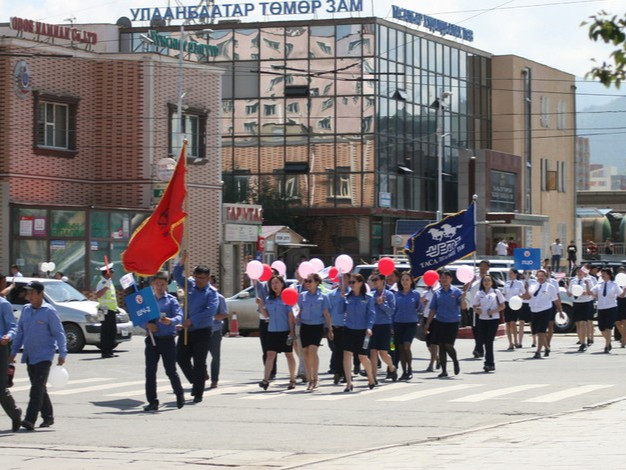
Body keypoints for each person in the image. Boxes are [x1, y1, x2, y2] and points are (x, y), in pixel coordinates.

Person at [9, 280, 67, 430]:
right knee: (40, 387)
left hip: (44, 356)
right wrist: (13, 352)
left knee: (36, 389)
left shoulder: (49, 311)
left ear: (41, 294)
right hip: (29, 355)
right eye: (28, 293)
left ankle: (29, 420)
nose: (29, 296)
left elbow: (59, 333)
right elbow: (20, 332)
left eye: (32, 293)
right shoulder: (26, 310)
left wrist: (62, 352)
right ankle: (48, 417)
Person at [173, 252, 219, 403]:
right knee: (181, 358)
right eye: (197, 277)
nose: (199, 281)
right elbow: (177, 275)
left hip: (202, 331)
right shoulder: (190, 285)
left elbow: (210, 311)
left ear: (208, 278)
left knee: (199, 361)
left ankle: (198, 392)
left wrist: (192, 320)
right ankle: (196, 379)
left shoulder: (212, 293)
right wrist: (182, 262)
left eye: (202, 278)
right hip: (186, 330)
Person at [143, 272, 185, 411]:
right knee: (150, 371)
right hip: (152, 340)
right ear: (152, 285)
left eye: (162, 284)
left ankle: (179, 395)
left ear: (166, 285)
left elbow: (180, 316)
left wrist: (170, 321)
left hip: (167, 340)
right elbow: (140, 317)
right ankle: (152, 401)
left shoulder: (171, 300)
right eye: (157, 284)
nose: (159, 287)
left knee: (170, 370)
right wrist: (147, 325)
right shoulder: (148, 300)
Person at [256, 276, 296, 390]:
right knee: (270, 355)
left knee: (289, 355)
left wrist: (291, 332)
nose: (274, 285)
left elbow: (290, 316)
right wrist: (260, 305)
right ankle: (265, 380)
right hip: (272, 330)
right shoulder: (269, 299)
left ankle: (292, 380)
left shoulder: (287, 297)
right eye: (272, 283)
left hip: (285, 331)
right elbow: (266, 315)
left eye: (277, 282)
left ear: (282, 284)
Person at [425, 270, 467, 378]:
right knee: (441, 346)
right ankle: (444, 370)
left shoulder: (456, 292)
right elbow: (433, 309)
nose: (444, 280)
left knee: (448, 345)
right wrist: (428, 323)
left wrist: (463, 298)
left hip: (452, 322)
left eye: (446, 277)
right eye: (442, 278)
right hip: (440, 321)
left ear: (451, 279)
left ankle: (455, 361)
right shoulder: (437, 293)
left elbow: (463, 307)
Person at [297, 273, 333, 391]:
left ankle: (316, 378)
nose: (307, 283)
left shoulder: (323, 296)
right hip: (305, 326)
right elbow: (298, 310)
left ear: (317, 282)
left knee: (313, 350)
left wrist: (330, 329)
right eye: (306, 281)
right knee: (306, 353)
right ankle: (310, 379)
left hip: (317, 327)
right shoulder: (302, 296)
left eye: (310, 281)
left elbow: (326, 314)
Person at [342, 274, 376, 392]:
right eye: (350, 282)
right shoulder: (347, 297)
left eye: (353, 282)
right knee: (347, 355)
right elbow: (340, 311)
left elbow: (371, 314)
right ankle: (349, 383)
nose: (351, 285)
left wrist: (369, 327)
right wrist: (340, 298)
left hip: (362, 331)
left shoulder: (368, 297)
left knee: (363, 357)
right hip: (349, 329)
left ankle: (371, 378)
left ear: (361, 283)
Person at [369, 272, 398, 384]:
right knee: (373, 351)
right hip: (373, 325)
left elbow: (391, 311)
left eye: (376, 280)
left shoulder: (389, 294)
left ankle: (392, 367)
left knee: (383, 352)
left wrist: (382, 304)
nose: (375, 282)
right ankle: (374, 377)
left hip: (385, 325)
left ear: (382, 281)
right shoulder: (371, 294)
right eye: (373, 280)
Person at [472, 275, 505, 372]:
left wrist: (494, 310)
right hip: (482, 319)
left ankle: (489, 363)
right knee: (482, 339)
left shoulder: (496, 292)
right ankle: (486, 360)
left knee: (489, 342)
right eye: (485, 280)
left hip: (493, 319)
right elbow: (474, 306)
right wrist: (477, 310)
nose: (486, 282)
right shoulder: (479, 293)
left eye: (488, 280)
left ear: (492, 282)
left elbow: (502, 306)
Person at [522, 269, 557, 359]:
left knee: (541, 330)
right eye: (539, 276)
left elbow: (555, 299)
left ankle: (538, 351)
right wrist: (523, 292)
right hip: (534, 310)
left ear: (545, 277)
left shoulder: (550, 287)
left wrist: (560, 311)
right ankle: (547, 348)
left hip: (545, 310)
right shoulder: (533, 286)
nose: (540, 277)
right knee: (537, 331)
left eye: (542, 276)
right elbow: (528, 296)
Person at [393, 272, 421, 380]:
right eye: (403, 280)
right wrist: (392, 326)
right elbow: (394, 311)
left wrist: (422, 303)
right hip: (398, 323)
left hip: (411, 323)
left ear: (411, 281)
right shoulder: (396, 295)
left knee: (406, 346)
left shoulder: (416, 294)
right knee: (400, 348)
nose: (405, 282)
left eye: (407, 280)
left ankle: (410, 369)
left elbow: (419, 309)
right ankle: (404, 371)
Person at [588, 268, 623, 353]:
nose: (602, 275)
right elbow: (591, 293)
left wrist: (624, 289)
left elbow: (621, 295)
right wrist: (587, 286)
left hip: (611, 308)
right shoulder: (599, 285)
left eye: (604, 273)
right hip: (601, 308)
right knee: (602, 328)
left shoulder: (614, 284)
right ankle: (609, 341)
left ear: (609, 275)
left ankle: (607, 345)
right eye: (602, 274)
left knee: (608, 326)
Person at [0, 294, 21, 432]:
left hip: (1, 347)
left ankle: (15, 413)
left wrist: (9, 336)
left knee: (0, 388)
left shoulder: (3, 304)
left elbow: (13, 326)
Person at [327, 274, 349, 384]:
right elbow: (328, 313)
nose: (342, 282)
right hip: (336, 327)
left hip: (349, 327)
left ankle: (345, 373)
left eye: (344, 279)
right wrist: (328, 328)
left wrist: (345, 297)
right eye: (340, 279)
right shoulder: (331, 295)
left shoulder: (352, 294)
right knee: (337, 350)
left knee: (347, 351)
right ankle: (338, 372)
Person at [567, 267, 595, 352]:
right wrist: (569, 290)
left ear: (583, 273)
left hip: (585, 302)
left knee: (583, 323)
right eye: (578, 271)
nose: (579, 273)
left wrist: (585, 287)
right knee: (578, 324)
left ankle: (584, 343)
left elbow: (592, 293)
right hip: (576, 303)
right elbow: (569, 294)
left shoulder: (588, 280)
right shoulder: (573, 281)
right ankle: (581, 340)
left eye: (581, 271)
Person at [95, 263, 119, 359]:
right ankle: (105, 351)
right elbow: (98, 295)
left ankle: (110, 350)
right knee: (106, 332)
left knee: (112, 331)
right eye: (111, 272)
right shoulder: (102, 283)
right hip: (105, 310)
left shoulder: (109, 282)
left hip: (111, 310)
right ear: (107, 274)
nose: (113, 274)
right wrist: (106, 287)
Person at [208, 275, 228, 389]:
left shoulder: (219, 298)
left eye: (211, 283)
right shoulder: (201, 297)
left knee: (215, 357)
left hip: (215, 330)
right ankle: (203, 374)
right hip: (202, 331)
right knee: (199, 356)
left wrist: (214, 317)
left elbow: (224, 314)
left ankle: (214, 379)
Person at [467, 260, 489, 358]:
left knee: (482, 329)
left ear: (488, 268)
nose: (482, 268)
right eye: (481, 266)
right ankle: (478, 347)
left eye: (484, 266)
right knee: (475, 329)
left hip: (484, 308)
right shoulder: (474, 278)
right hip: (473, 307)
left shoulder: (489, 279)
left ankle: (479, 349)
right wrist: (470, 282)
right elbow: (465, 289)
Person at [503, 269, 525, 350]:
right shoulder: (507, 283)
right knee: (508, 324)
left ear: (515, 274)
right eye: (509, 273)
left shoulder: (519, 283)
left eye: (511, 273)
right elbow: (504, 293)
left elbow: (524, 293)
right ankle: (510, 343)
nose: (510, 275)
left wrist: (520, 297)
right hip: (507, 304)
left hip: (515, 305)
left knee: (513, 323)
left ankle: (516, 340)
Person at [420, 283, 439, 372]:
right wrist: (423, 301)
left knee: (434, 342)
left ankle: (431, 364)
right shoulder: (426, 291)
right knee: (428, 342)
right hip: (426, 317)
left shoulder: (439, 290)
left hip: (436, 318)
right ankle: (437, 358)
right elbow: (420, 306)